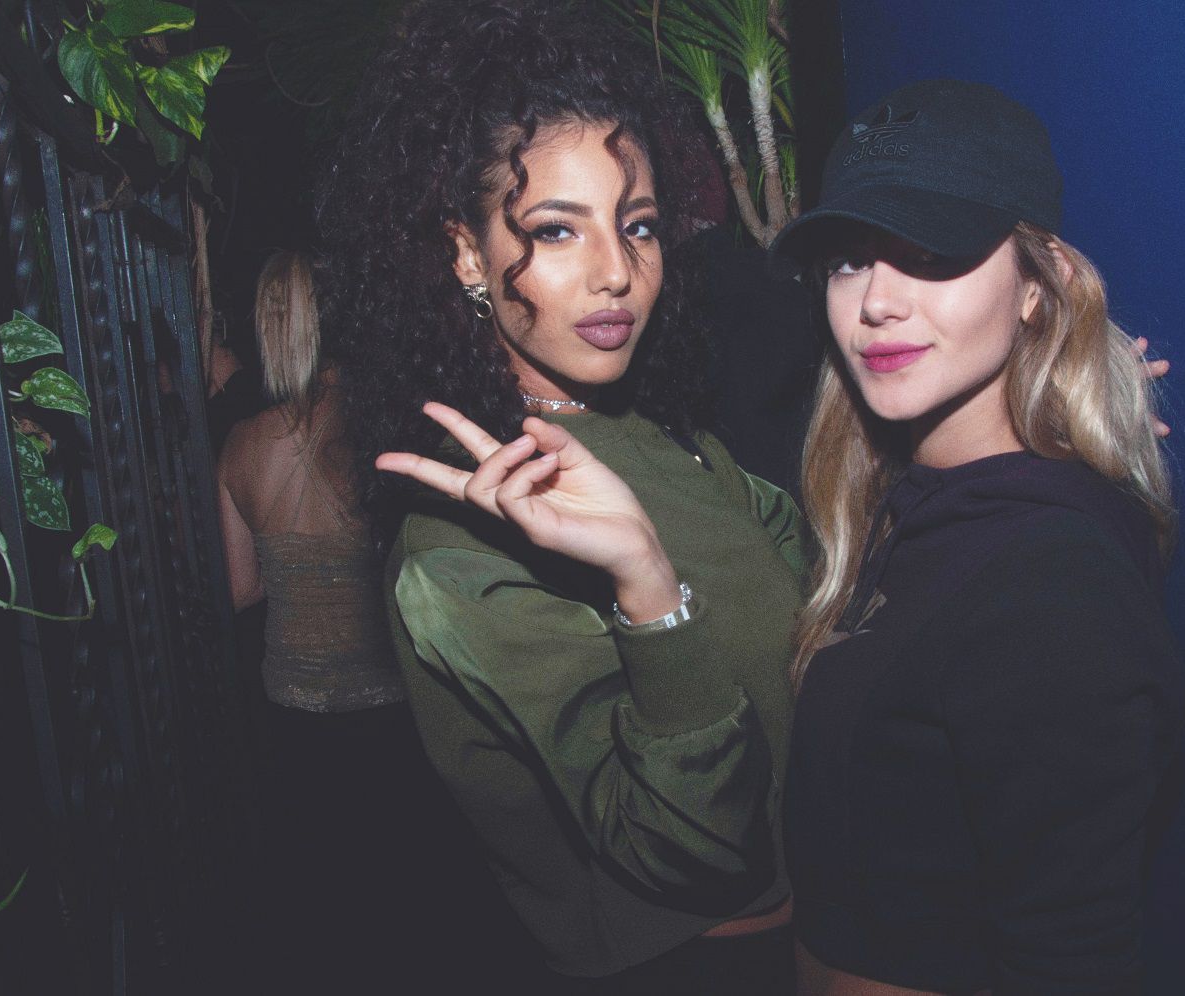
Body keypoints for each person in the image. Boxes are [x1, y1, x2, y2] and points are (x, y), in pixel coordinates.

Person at [315, 3, 805, 990]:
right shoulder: (462, 546)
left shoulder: (664, 437)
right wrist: (645, 585)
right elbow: (689, 847)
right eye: (555, 230)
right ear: (467, 254)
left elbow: (822, 599)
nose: (617, 272)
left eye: (638, 226)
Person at [770, 80, 1185, 995]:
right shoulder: (893, 499)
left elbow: (1071, 959)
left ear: (1040, 286)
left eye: (930, 253)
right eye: (849, 260)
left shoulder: (1049, 582)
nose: (877, 302)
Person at [217, 251, 477, 991]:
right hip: (394, 699)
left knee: (325, 902)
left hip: (294, 704)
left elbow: (240, 590)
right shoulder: (385, 429)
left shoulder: (241, 445)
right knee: (408, 901)